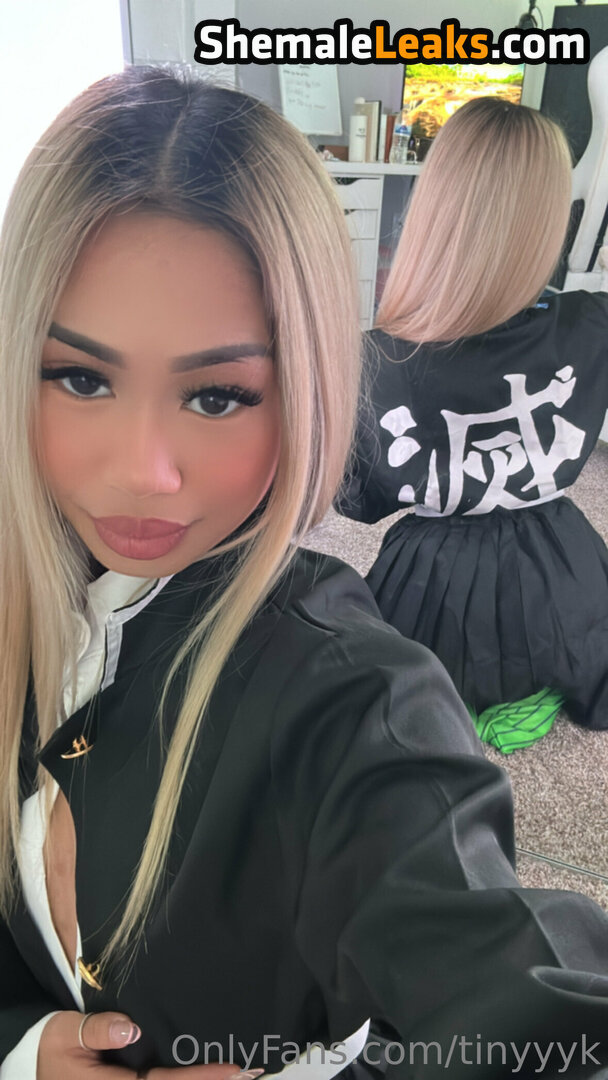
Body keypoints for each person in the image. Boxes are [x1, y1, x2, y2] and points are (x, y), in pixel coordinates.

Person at [1, 68, 608, 1080]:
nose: (144, 473)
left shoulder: (353, 693)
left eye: (216, 396)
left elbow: (539, 1018)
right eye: (80, 377)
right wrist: (22, 1047)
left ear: (307, 389)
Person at [338, 97, 608, 748]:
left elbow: (356, 499)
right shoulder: (592, 325)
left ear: (434, 211)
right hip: (560, 567)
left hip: (432, 582)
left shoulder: (376, 358)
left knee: (389, 668)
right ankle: (534, 685)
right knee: (580, 630)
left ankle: (464, 702)